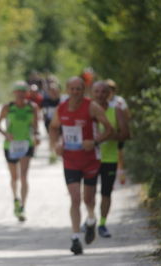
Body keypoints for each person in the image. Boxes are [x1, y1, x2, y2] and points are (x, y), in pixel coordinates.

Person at [49, 76, 113, 255]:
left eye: (79, 89)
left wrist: (94, 141)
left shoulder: (91, 106)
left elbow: (109, 129)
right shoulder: (61, 109)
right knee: (75, 198)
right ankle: (75, 237)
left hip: (90, 160)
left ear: (83, 90)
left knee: (88, 200)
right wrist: (56, 144)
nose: (75, 92)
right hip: (70, 159)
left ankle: (91, 220)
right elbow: (54, 127)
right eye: (72, 88)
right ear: (67, 90)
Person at [92, 81, 130, 238]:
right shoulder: (88, 110)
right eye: (97, 92)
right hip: (91, 158)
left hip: (109, 158)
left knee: (106, 193)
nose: (100, 95)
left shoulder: (117, 111)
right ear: (92, 93)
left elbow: (126, 134)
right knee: (89, 192)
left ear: (109, 94)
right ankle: (89, 218)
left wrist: (107, 136)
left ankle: (102, 223)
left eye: (104, 92)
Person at [0, 81, 40, 222]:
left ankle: (23, 206)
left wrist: (36, 135)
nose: (21, 94)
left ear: (27, 93)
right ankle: (15, 197)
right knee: (14, 177)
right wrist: (6, 134)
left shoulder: (32, 107)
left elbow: (35, 126)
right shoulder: (8, 107)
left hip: (26, 144)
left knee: (24, 176)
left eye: (23, 91)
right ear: (14, 93)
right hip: (10, 145)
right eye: (18, 92)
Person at [105, 79, 130, 184]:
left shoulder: (119, 101)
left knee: (119, 154)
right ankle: (109, 178)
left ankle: (121, 175)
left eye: (111, 89)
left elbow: (127, 115)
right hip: (106, 132)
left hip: (118, 132)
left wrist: (122, 127)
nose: (109, 92)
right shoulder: (101, 101)